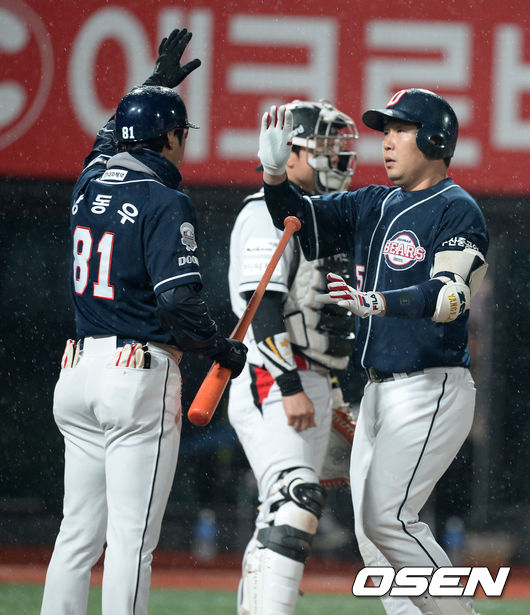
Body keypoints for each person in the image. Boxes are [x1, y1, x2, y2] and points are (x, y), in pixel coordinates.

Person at [257, 88, 489, 615]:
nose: (386, 141)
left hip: (432, 384)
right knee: (372, 532)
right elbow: (295, 217)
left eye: (400, 129)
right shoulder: (373, 202)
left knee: (389, 520)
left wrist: (377, 301)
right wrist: (273, 177)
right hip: (379, 390)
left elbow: (450, 297)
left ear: (435, 140)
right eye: (385, 130)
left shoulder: (457, 209)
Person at [40, 29, 246, 615]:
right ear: (173, 137)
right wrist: (218, 348)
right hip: (135, 375)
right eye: (183, 133)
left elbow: (108, 140)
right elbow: (178, 301)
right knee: (131, 542)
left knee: (76, 536)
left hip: (77, 371)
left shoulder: (87, 185)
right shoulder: (163, 200)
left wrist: (152, 85)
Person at [227, 99, 359, 615]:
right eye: (325, 146)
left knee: (279, 511)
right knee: (295, 499)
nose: (337, 157)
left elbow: (323, 317)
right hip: (276, 373)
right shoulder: (264, 210)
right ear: (293, 152)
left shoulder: (323, 215)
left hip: (314, 377)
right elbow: (261, 305)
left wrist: (331, 389)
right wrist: (289, 385)